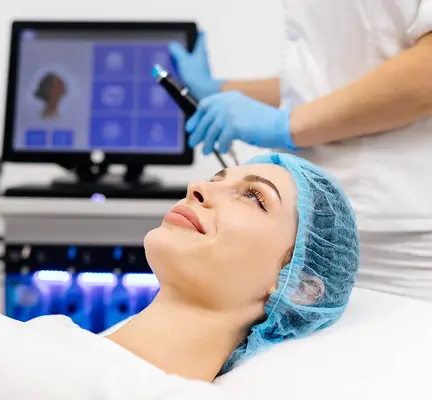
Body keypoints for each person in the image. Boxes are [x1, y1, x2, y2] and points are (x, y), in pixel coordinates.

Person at [0, 153, 359, 398]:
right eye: (218, 176)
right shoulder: (55, 342)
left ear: (297, 285)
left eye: (252, 197)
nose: (200, 187)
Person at [169, 2, 432, 302]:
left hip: (401, 236)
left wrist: (286, 125)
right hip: (311, 232)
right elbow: (322, 84)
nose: (196, 190)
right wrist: (220, 90)